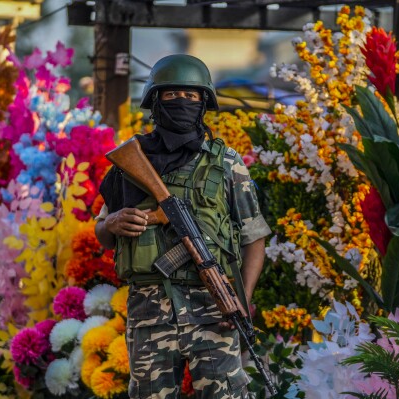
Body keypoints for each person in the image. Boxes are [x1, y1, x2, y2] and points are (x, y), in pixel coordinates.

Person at [95, 54, 271, 399]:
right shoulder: (132, 163)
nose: (182, 102)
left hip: (212, 310)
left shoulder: (227, 164)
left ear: (204, 103)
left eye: (191, 96)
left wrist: (241, 298)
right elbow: (102, 233)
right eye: (171, 95)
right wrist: (114, 222)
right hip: (150, 315)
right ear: (154, 102)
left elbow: (254, 239)